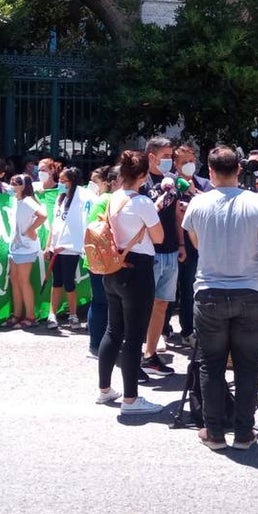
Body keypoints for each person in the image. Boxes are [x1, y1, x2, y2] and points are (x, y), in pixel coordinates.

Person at [183, 145, 258, 450]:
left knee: (211, 364)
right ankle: (244, 432)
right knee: (247, 364)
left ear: (210, 172)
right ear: (239, 170)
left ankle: (214, 432)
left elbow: (197, 242)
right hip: (250, 291)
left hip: (210, 291)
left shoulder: (197, 205)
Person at [96, 150, 166, 415]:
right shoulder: (143, 202)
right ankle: (131, 399)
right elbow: (158, 238)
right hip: (138, 269)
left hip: (114, 266)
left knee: (113, 330)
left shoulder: (112, 199)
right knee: (134, 335)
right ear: (143, 176)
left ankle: (105, 389)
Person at [140, 136, 179, 377]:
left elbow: (175, 214)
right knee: (143, 305)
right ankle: (135, 356)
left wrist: (182, 244)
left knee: (162, 304)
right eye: (165, 156)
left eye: (171, 156)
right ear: (152, 157)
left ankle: (150, 354)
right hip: (148, 252)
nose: (169, 161)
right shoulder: (141, 181)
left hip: (171, 250)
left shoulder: (172, 180)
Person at [169, 142, 211, 348]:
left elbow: (213, 205)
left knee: (189, 289)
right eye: (184, 162)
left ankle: (188, 330)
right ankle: (162, 329)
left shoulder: (204, 184)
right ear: (175, 164)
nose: (188, 165)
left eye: (191, 161)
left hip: (196, 245)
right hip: (172, 243)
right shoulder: (169, 184)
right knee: (167, 291)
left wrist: (194, 195)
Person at [5, 173, 48, 329]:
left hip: (26, 248)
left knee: (23, 281)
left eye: (15, 183)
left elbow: (43, 215)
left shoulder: (28, 200)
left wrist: (31, 229)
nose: (11, 186)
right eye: (11, 182)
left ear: (23, 186)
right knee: (14, 280)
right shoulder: (16, 200)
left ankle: (30, 316)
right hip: (15, 247)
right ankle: (17, 314)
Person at [47, 166, 87, 330]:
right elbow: (54, 224)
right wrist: (49, 245)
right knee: (56, 281)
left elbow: (80, 225)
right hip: (56, 247)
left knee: (69, 281)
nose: (61, 183)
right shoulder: (60, 198)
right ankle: (52, 314)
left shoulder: (80, 201)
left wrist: (67, 244)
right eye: (60, 180)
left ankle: (73, 315)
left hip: (69, 248)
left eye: (64, 181)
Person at [83, 166, 116, 356]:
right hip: (102, 259)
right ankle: (97, 343)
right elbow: (96, 230)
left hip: (99, 258)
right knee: (102, 302)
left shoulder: (103, 200)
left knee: (101, 301)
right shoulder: (106, 200)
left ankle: (99, 343)